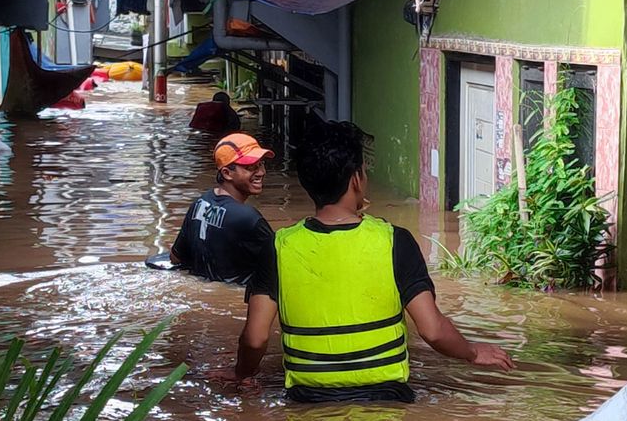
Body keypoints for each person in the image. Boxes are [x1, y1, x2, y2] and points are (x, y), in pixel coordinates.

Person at [219, 120, 514, 402]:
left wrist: (240, 373)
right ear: (357, 178)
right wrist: (472, 352)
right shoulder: (394, 240)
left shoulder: (278, 247)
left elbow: (256, 339)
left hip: (307, 401)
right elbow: (433, 330)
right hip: (387, 398)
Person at [170, 133, 274, 285]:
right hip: (238, 298)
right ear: (227, 173)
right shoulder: (248, 217)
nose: (261, 172)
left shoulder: (199, 203)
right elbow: (282, 265)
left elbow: (175, 257)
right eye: (251, 167)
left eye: (261, 164)